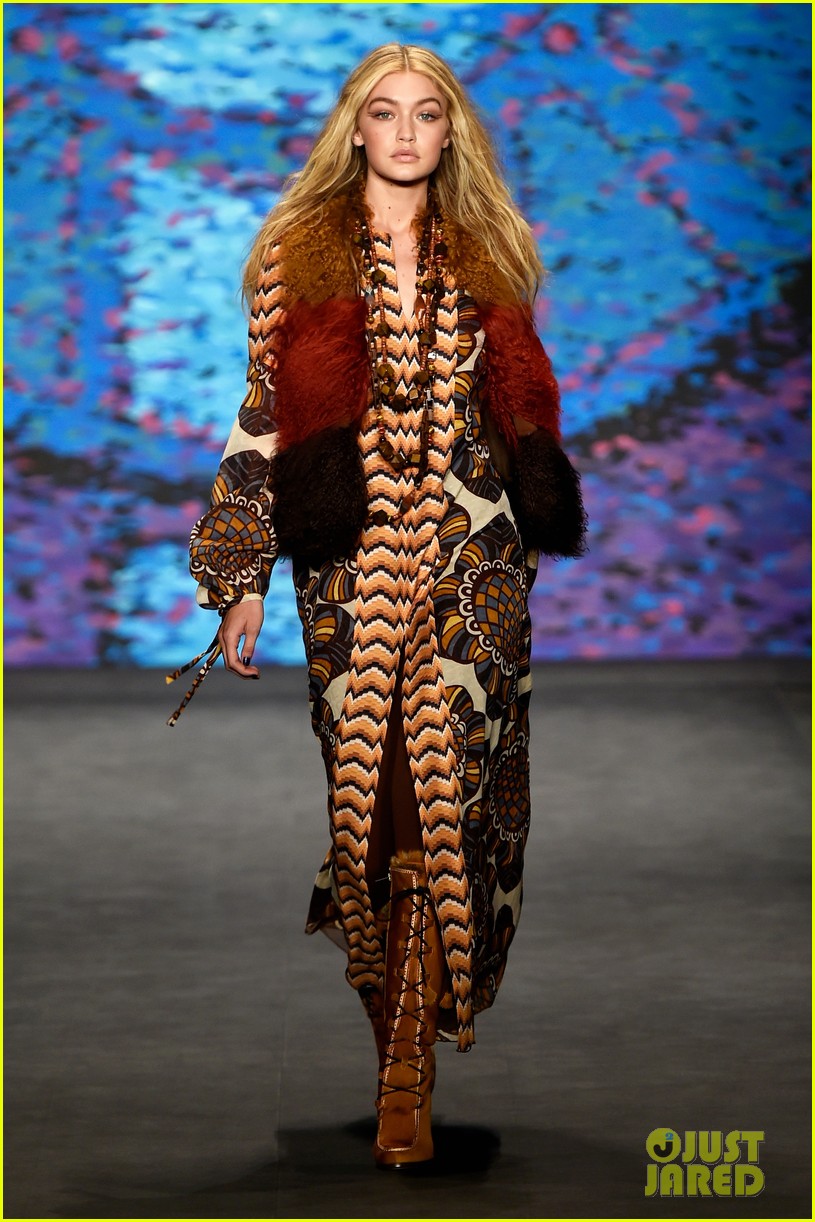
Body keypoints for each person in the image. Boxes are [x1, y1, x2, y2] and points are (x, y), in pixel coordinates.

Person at [169, 42, 586, 1169]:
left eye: (427, 113)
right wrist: (239, 577)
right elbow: (263, 414)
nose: (405, 133)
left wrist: (522, 518)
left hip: (475, 567)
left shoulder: (494, 245)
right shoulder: (296, 250)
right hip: (347, 566)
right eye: (385, 112)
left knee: (457, 802)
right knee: (373, 806)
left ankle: (406, 1068)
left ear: (451, 131)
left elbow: (520, 399)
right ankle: (399, 1037)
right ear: (353, 127)